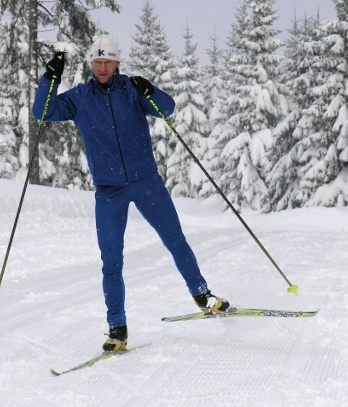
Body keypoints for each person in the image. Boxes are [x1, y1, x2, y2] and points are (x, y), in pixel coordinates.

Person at [32, 36, 229, 352]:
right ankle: (117, 328)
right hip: (109, 191)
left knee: (175, 240)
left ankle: (203, 294)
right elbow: (43, 112)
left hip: (146, 182)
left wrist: (150, 90)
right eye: (97, 62)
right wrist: (49, 79)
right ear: (91, 65)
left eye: (107, 61)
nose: (102, 67)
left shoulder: (131, 90)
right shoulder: (81, 98)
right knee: (111, 262)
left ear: (117, 63)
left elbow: (168, 108)